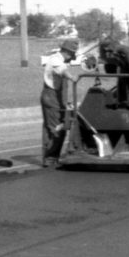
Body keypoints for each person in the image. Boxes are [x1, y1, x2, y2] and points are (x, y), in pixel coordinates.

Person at [41, 38, 81, 168]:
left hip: (59, 98)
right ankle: (50, 158)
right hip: (51, 97)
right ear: (67, 52)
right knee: (55, 128)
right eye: (71, 55)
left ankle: (52, 156)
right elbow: (62, 71)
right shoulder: (55, 60)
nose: (71, 58)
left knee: (60, 126)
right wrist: (72, 77)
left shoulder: (62, 60)